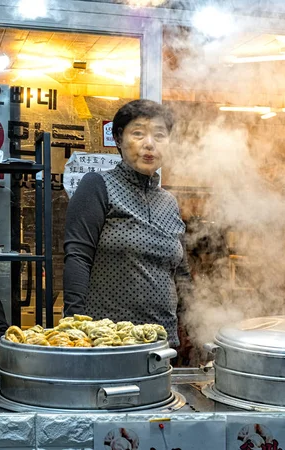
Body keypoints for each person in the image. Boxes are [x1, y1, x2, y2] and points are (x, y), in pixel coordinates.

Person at [63, 99, 191, 347]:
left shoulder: (169, 202)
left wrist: (195, 329)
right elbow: (77, 257)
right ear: (120, 139)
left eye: (160, 135)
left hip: (162, 340)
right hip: (109, 341)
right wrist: (74, 327)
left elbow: (181, 274)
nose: (149, 144)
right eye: (138, 133)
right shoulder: (98, 186)